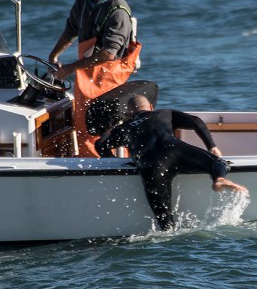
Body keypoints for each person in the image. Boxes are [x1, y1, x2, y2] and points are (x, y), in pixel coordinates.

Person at [95, 95, 247, 230]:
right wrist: (211, 146)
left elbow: (100, 144)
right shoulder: (163, 113)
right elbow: (196, 121)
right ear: (151, 107)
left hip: (149, 164)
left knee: (165, 225)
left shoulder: (124, 128)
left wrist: (116, 161)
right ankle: (219, 179)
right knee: (218, 162)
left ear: (129, 114)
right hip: (174, 150)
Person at [48, 0, 141, 156]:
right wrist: (54, 54)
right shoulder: (83, 0)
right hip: (86, 76)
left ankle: (111, 165)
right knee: (84, 126)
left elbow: (108, 53)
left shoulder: (118, 10)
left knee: (108, 126)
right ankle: (89, 161)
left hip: (110, 76)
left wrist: (72, 67)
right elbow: (71, 30)